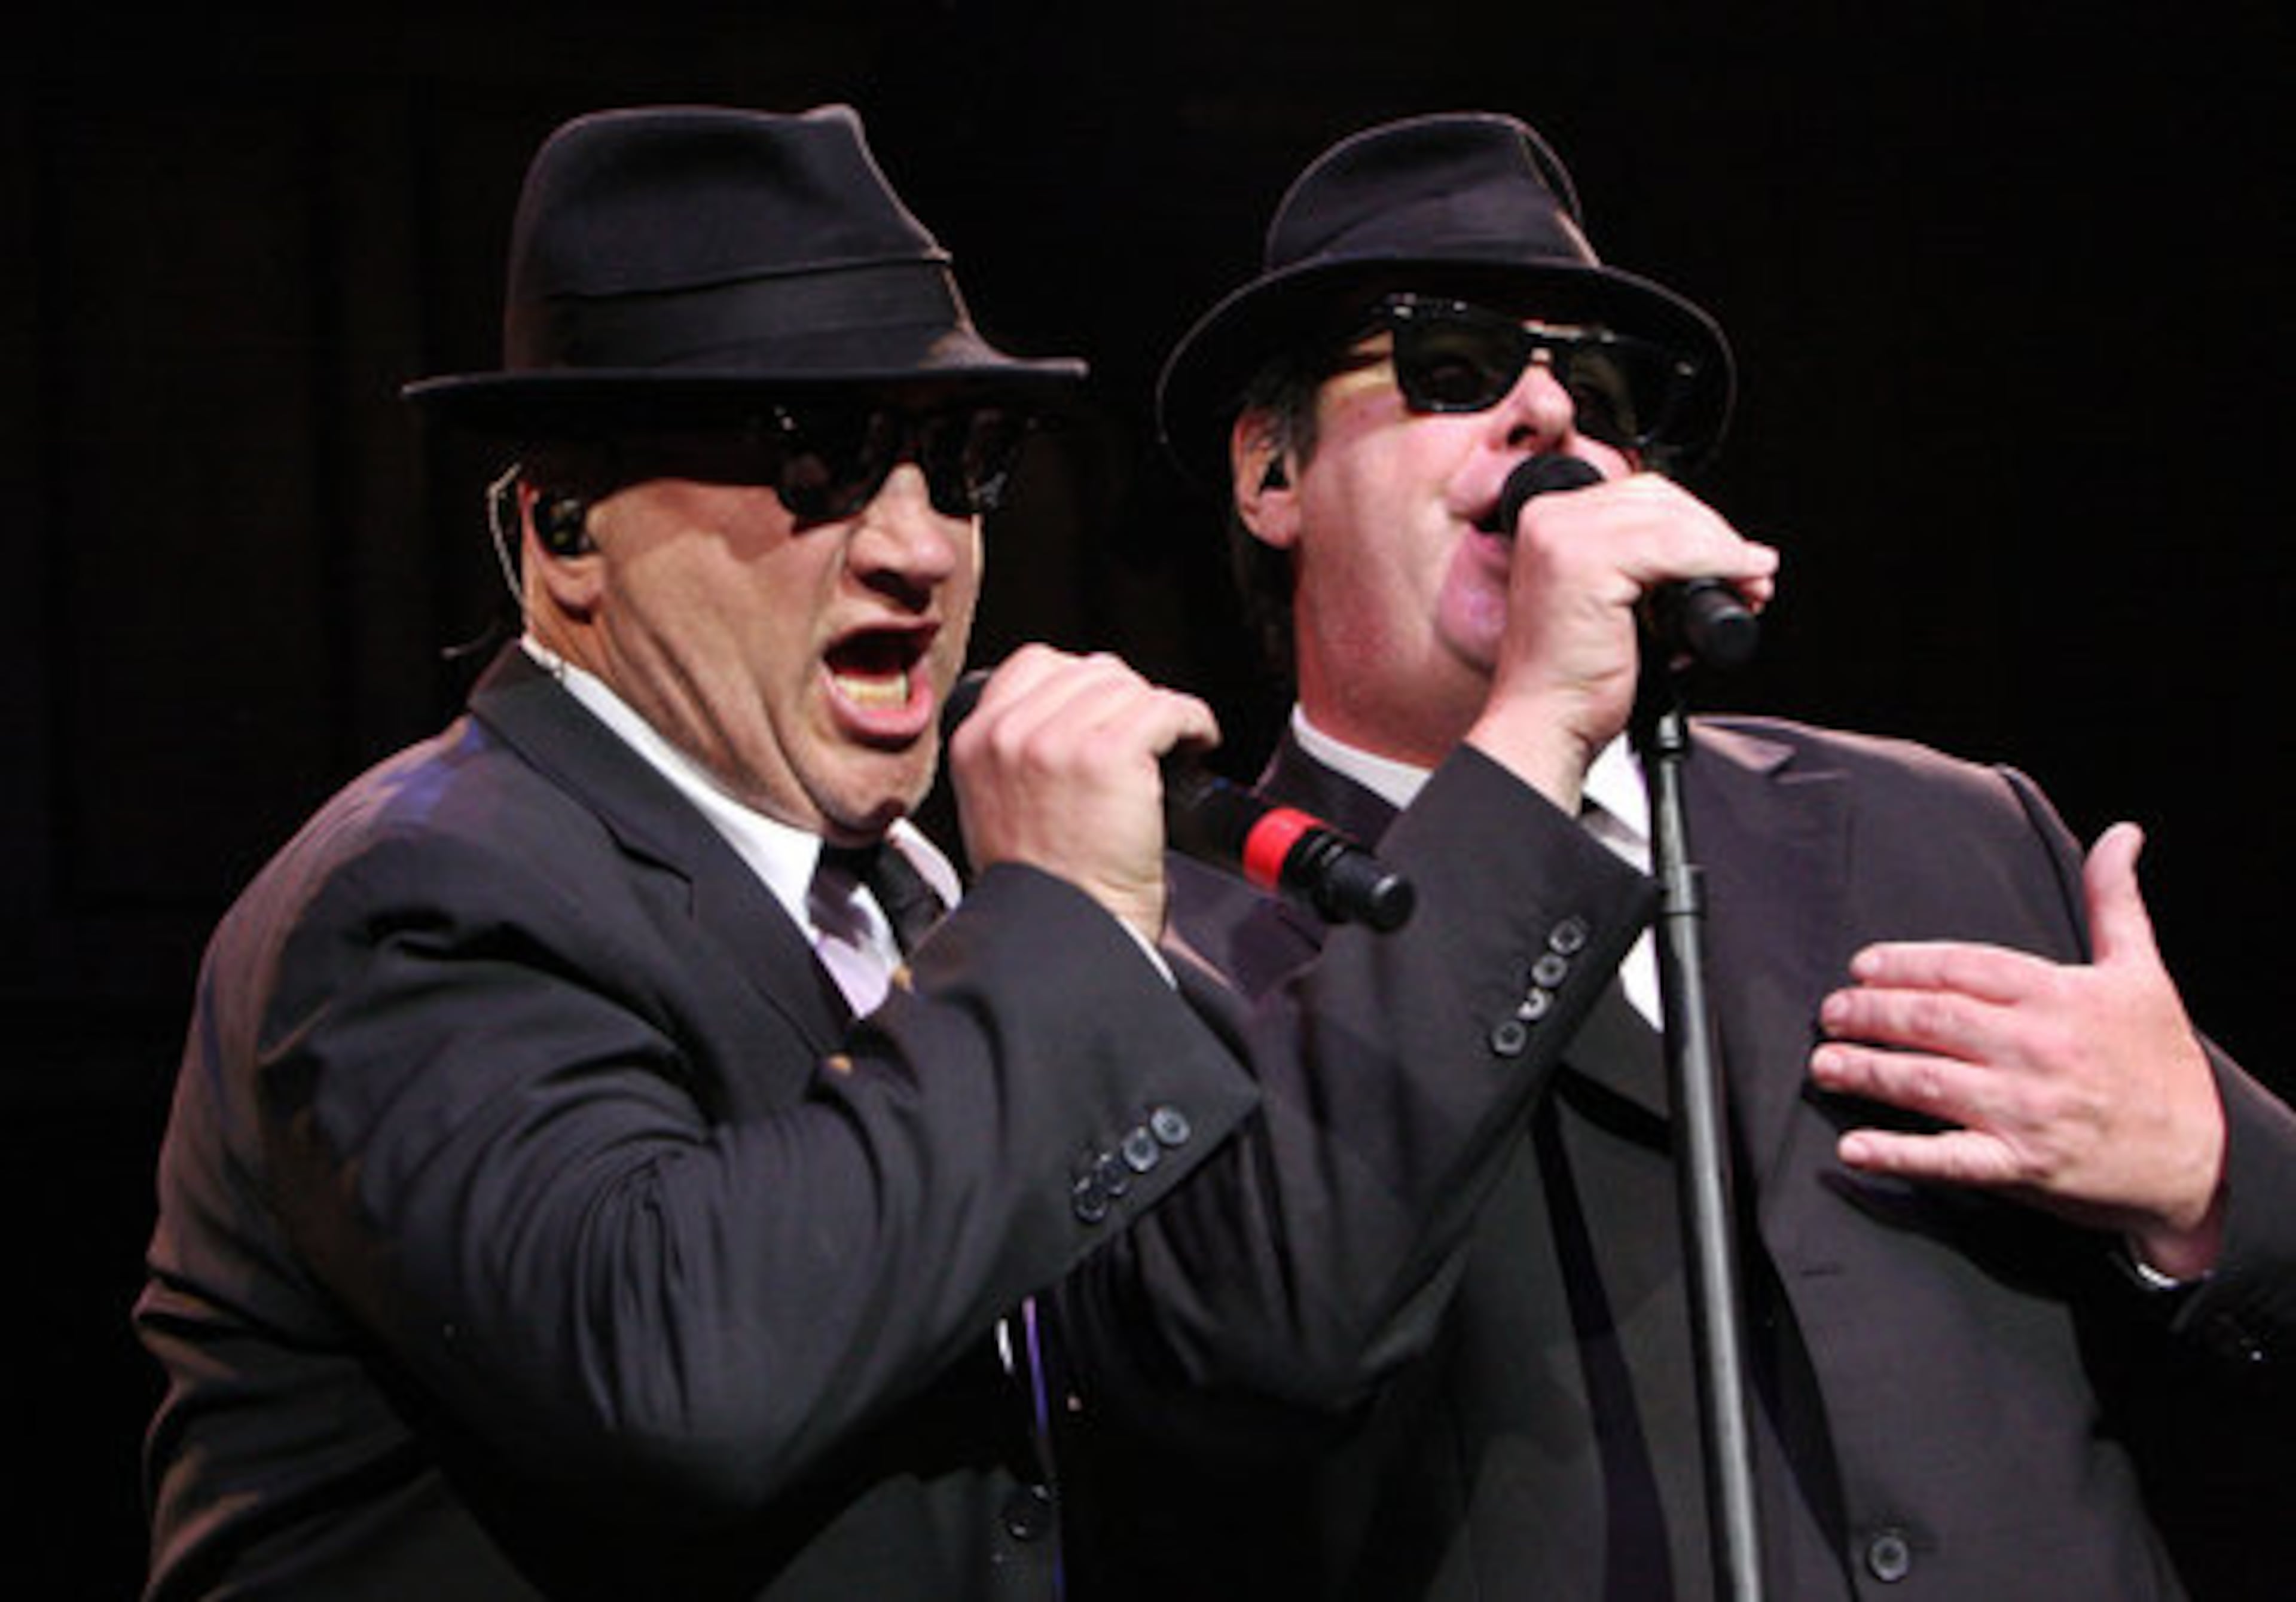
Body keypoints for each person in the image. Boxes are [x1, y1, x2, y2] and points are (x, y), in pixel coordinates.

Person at [134, 105, 1687, 1601]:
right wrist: (1061, 921)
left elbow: (1257, 1333)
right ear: (564, 531)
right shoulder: (422, 893)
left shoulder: (912, 899)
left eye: (963, 465)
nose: (919, 543)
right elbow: (682, 1378)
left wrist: (1524, 755)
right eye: (817, 457)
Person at [1097, 110, 2296, 1600]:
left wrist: (2209, 1181)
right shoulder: (1165, 931)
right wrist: (1536, 724)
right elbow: (1254, 1351)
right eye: (1448, 367)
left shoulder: (1943, 828)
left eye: (1604, 388)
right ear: (1270, 473)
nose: (1550, 415)